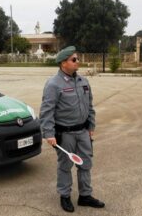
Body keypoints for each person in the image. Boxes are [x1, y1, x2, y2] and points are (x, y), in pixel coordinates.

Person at [39, 46, 105, 212]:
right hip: (65, 134)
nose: (78, 62)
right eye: (74, 60)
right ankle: (65, 196)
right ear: (63, 63)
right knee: (65, 165)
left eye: (77, 59)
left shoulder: (83, 81)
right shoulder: (53, 84)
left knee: (85, 164)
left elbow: (89, 106)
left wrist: (91, 125)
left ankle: (85, 196)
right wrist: (49, 133)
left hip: (83, 132)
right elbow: (47, 111)